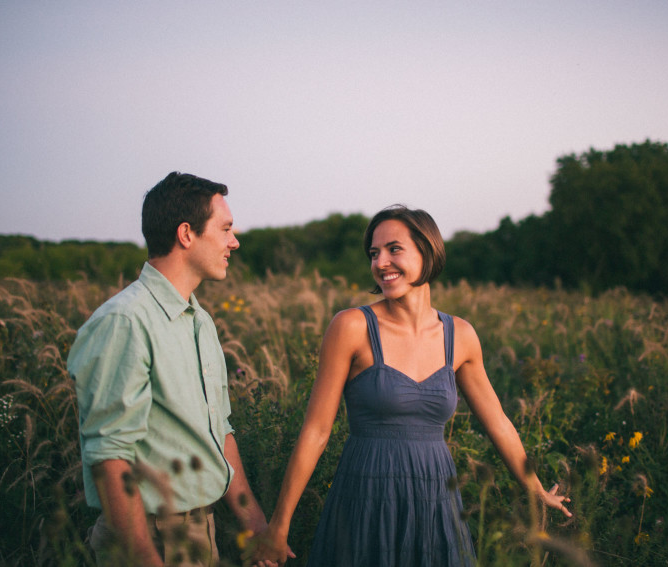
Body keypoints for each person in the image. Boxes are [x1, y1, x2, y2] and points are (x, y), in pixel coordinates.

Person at [245, 205, 571, 567]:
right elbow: (317, 431)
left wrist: (535, 488)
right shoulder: (351, 327)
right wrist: (279, 526)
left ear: (427, 250)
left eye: (394, 249)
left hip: (436, 499)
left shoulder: (460, 336)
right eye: (374, 253)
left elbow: (498, 422)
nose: (381, 262)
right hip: (366, 494)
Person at [69, 172, 289, 567]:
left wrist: (256, 528)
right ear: (186, 234)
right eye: (224, 229)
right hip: (150, 537)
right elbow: (110, 457)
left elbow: (219, 432)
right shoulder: (125, 321)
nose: (234, 241)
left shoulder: (199, 321)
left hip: (199, 531)